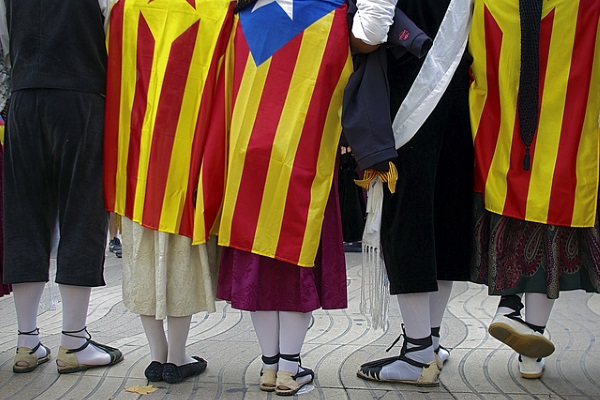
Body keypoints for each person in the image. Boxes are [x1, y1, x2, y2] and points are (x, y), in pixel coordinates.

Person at [216, 0, 351, 395]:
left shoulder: (241, 19)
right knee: (294, 268)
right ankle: (290, 369)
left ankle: (269, 366)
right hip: (302, 160)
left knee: (258, 272)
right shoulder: (333, 16)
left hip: (247, 162)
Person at [103, 0, 234, 384]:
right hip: (185, 161)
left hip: (136, 163)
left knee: (141, 260)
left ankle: (156, 354)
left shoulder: (125, 9)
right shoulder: (216, 9)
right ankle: (177, 357)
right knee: (182, 262)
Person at [469, 0, 600, 379]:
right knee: (549, 237)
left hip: (504, 144)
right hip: (566, 146)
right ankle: (531, 340)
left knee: (513, 222)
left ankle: (509, 309)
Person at [348, 0, 473, 386]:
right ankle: (430, 343)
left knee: (409, 220)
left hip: (409, 95)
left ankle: (418, 354)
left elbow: (371, 30)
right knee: (444, 216)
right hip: (460, 87)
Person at [0, 0, 123, 374]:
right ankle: (74, 341)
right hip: (80, 94)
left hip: (23, 97)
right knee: (81, 214)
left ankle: (26, 341)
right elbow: (114, 27)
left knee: (23, 217)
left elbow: (4, 40)